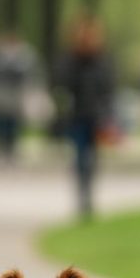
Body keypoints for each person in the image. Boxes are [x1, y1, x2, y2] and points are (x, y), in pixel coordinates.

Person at [54, 14, 116, 218]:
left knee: (92, 157)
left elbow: (108, 87)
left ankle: (88, 192)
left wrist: (107, 112)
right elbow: (61, 83)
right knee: (81, 155)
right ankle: (82, 193)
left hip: (96, 115)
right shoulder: (70, 60)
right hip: (77, 114)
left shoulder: (101, 60)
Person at [0, 29, 35, 162]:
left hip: (15, 96)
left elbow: (29, 74)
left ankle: (10, 148)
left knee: (12, 123)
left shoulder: (24, 55)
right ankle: (0, 146)